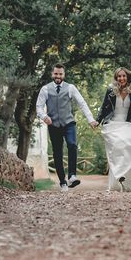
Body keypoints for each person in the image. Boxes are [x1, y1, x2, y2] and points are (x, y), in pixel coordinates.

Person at [36, 63, 98, 192]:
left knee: (72, 144)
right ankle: (63, 182)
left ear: (64, 75)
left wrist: (90, 119)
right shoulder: (45, 89)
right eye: (56, 73)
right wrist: (44, 117)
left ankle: (72, 176)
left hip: (68, 123)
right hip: (53, 125)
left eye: (60, 74)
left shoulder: (71, 88)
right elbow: (39, 107)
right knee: (57, 153)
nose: (58, 76)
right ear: (52, 74)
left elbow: (82, 103)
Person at [96, 67, 131, 193]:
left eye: (123, 76)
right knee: (118, 146)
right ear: (116, 78)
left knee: (129, 146)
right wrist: (97, 120)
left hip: (128, 124)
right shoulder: (111, 91)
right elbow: (104, 108)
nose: (121, 78)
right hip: (113, 123)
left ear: (128, 77)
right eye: (119, 76)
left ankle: (128, 179)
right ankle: (119, 176)